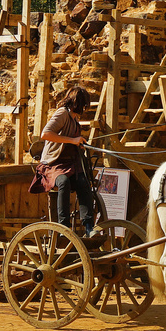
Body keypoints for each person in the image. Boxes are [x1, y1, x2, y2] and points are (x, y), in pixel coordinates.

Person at [38, 86, 99, 237]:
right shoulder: (62, 113)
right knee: (63, 182)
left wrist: (79, 143)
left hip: (69, 164)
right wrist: (72, 140)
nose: (84, 109)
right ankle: (63, 227)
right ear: (77, 103)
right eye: (84, 105)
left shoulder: (74, 118)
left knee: (84, 184)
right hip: (52, 164)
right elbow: (45, 134)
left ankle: (89, 226)